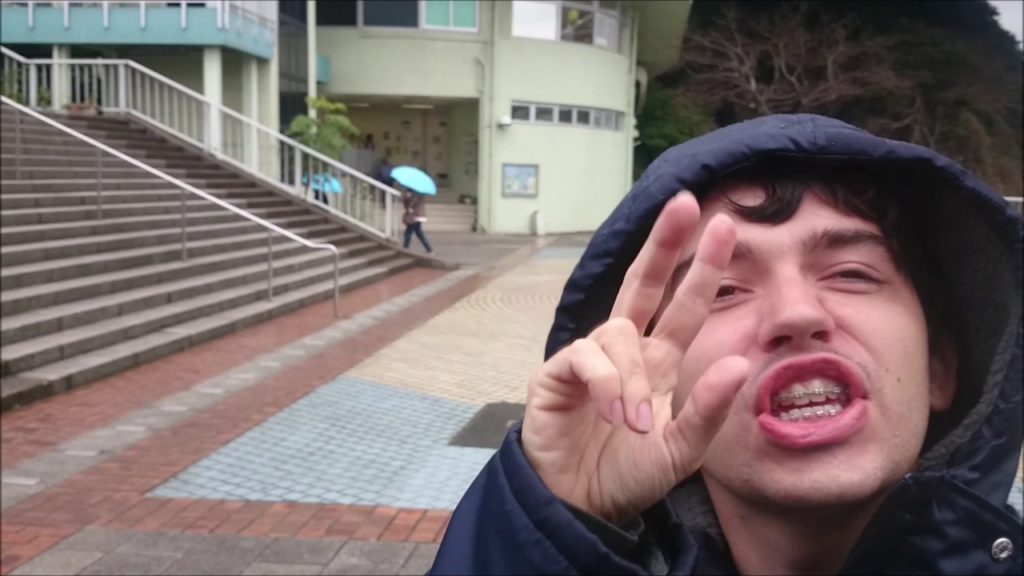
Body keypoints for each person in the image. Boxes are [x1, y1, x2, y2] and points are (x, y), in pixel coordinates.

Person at [430, 114, 1023, 575]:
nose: (796, 313)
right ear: (650, 381)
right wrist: (557, 527)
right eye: (723, 289)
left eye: (851, 273)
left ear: (941, 367)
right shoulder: (556, 542)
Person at [402, 186, 433, 253]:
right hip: (415, 215)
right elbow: (406, 204)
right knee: (418, 233)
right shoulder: (413, 192)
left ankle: (405, 248)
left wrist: (408, 199)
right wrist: (407, 198)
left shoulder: (419, 193)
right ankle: (429, 249)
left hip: (416, 215)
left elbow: (413, 203)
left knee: (409, 232)